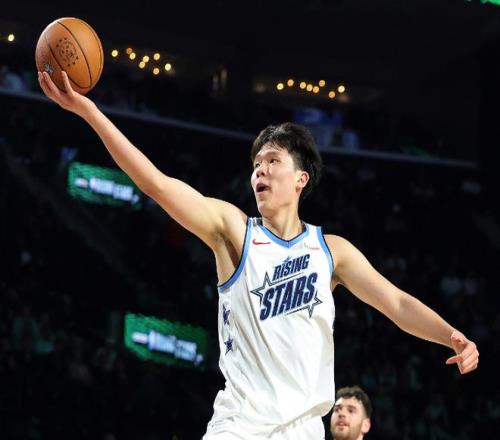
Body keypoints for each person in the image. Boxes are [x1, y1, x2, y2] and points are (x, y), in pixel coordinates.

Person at [37, 71, 480, 440]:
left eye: (271, 161)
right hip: (240, 427)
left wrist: (451, 335)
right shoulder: (233, 230)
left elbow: (397, 303)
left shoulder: (332, 251)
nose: (259, 171)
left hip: (303, 430)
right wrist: (90, 112)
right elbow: (155, 183)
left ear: (301, 178)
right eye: (255, 166)